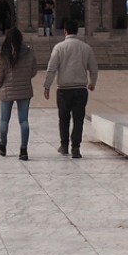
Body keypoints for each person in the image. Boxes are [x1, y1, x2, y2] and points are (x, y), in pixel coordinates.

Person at [43, 19, 99, 158]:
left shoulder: (59, 47)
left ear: (65, 31)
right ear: (77, 31)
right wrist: (92, 83)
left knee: (64, 119)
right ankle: (76, 148)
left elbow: (51, 69)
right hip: (80, 89)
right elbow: (94, 68)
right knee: (78, 119)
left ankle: (64, 146)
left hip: (63, 90)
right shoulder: (86, 47)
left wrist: (47, 86)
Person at [0, 27, 37, 160]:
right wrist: (24, 77)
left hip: (7, 90)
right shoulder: (29, 52)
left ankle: (3, 145)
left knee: (4, 119)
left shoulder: (2, 53)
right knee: (23, 120)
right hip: (24, 89)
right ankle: (23, 150)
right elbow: (34, 70)